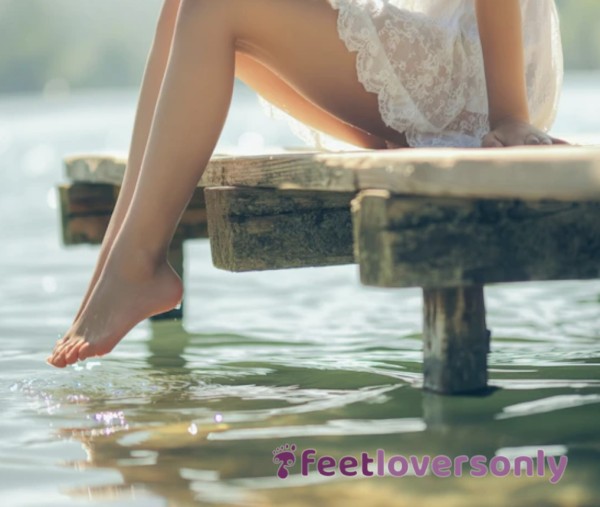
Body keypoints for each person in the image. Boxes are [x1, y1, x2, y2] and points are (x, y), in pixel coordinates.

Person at [47, 0, 566, 367]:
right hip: (437, 48)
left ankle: (137, 265)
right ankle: (117, 263)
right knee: (183, 5)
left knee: (213, 5)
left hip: (481, 67)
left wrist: (510, 114)